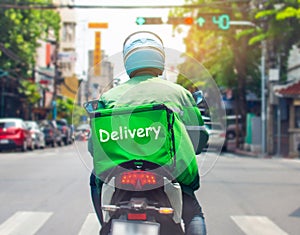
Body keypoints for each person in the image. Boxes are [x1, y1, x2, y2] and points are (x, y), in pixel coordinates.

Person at [88, 31, 209, 235]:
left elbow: (94, 146)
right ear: (159, 59)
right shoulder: (179, 93)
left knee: (95, 180)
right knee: (192, 213)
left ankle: (106, 223)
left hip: (119, 175)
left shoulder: (109, 96)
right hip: (170, 173)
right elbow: (199, 137)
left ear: (128, 61)